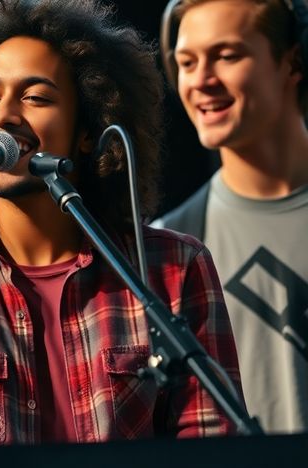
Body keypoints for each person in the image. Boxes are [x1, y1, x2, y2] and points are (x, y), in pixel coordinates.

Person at [0, 0, 243, 451]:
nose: (2, 115)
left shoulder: (175, 269)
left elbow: (212, 462)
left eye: (35, 96)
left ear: (88, 130)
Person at [155, 0, 308, 434]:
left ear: (293, 61)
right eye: (186, 62)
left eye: (227, 55)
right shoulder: (172, 247)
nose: (201, 80)